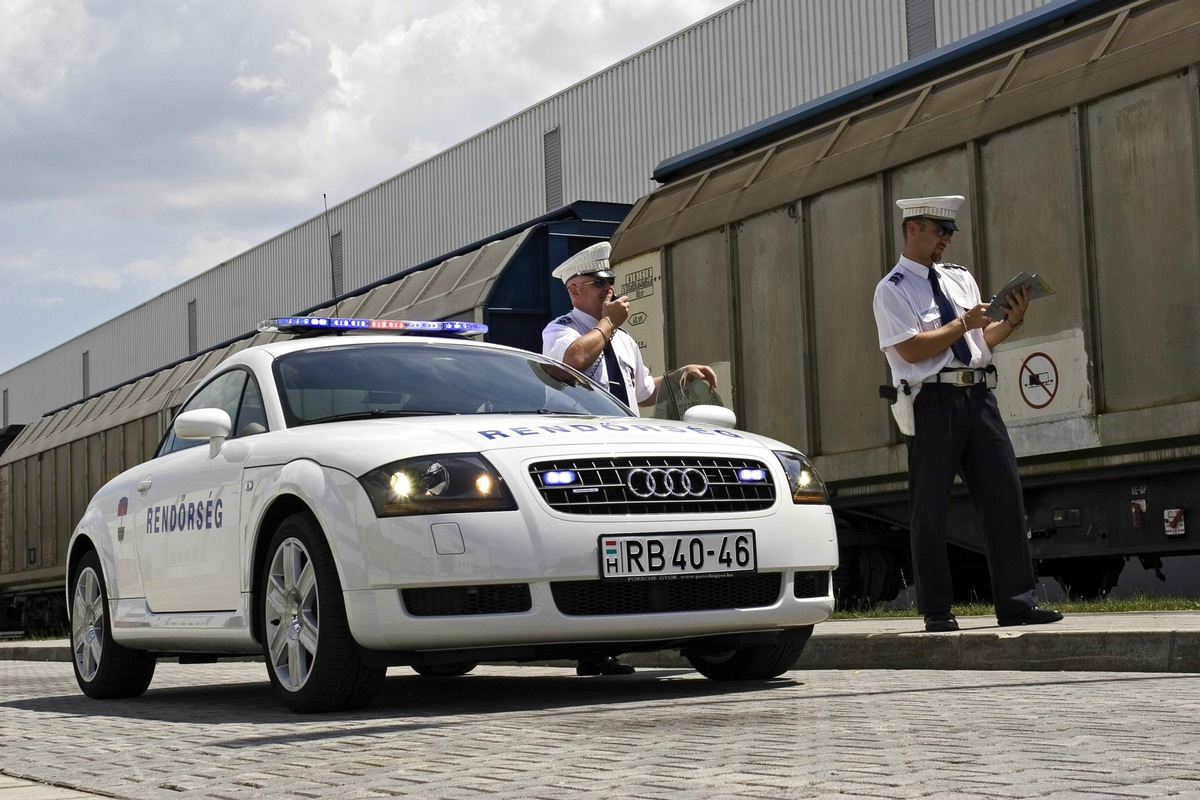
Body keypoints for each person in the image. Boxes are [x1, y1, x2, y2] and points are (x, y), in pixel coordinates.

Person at [871, 194, 1063, 633]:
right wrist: (964, 324)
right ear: (912, 228)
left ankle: (1017, 603)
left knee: (1004, 496)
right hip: (932, 400)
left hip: (978, 395)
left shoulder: (959, 278)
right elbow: (910, 348)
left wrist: (1010, 320)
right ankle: (937, 609)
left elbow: (979, 343)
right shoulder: (892, 289)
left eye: (950, 234)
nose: (945, 242)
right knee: (930, 507)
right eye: (939, 232)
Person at [543, 241, 718, 675]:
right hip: (586, 450)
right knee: (596, 549)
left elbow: (641, 392)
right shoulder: (562, 329)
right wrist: (606, 325)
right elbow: (570, 363)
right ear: (575, 291)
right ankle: (592, 650)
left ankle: (628, 632)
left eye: (610, 283)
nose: (609, 289)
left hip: (627, 448)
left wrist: (679, 377)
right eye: (600, 284)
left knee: (629, 547)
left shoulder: (621, 339)